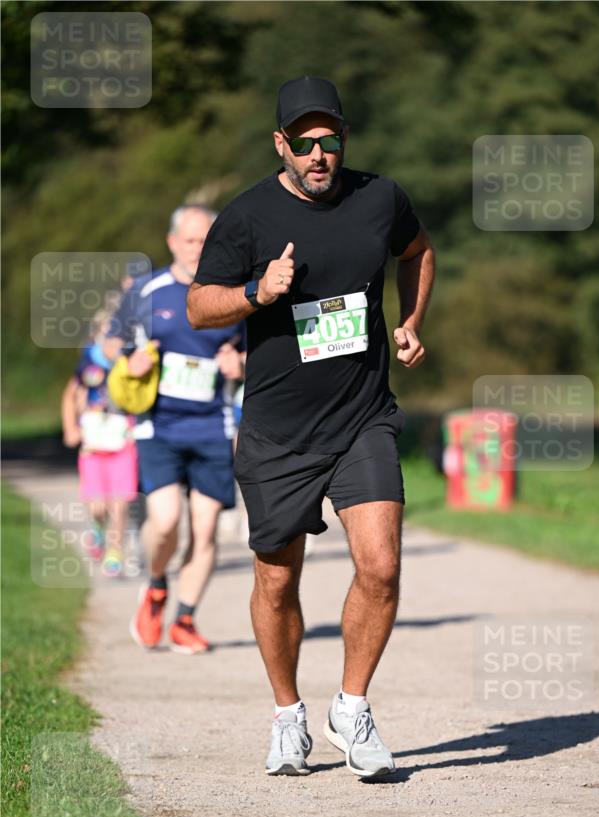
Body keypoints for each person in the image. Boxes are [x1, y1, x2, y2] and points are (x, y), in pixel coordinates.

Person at [187, 76, 435, 777]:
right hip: (277, 431)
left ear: (343, 139)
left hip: (362, 417)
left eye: (330, 139)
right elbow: (198, 306)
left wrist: (411, 321)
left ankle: (351, 710)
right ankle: (287, 716)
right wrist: (254, 291)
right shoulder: (246, 218)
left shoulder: (379, 197)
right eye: (304, 142)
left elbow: (417, 251)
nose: (319, 154)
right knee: (275, 581)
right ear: (281, 145)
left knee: (380, 567)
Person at [106, 205, 246, 653]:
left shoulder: (233, 295)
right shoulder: (148, 291)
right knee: (165, 522)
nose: (197, 249)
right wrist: (130, 358)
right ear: (172, 243)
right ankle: (156, 586)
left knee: (204, 532)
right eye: (189, 240)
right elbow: (110, 341)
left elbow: (254, 353)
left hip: (213, 425)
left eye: (206, 240)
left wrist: (238, 364)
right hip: (159, 426)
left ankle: (184, 619)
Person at [62, 302, 138, 577]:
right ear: (98, 335)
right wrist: (71, 428)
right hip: (93, 443)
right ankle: (97, 529)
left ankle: (115, 551)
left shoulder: (131, 362)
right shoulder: (88, 361)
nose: (113, 343)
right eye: (107, 335)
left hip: (122, 441)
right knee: (98, 506)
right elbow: (70, 395)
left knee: (120, 502)